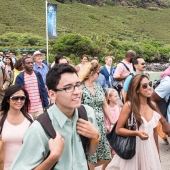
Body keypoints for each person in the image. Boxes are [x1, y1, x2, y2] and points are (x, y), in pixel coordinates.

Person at [11, 63, 99, 170]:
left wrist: (95, 137)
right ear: (52, 94)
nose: (77, 92)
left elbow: (90, 152)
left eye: (77, 85)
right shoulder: (39, 129)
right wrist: (53, 157)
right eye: (68, 87)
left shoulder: (87, 113)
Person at [107, 74, 162, 170]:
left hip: (150, 151)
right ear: (136, 89)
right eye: (144, 86)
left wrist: (157, 155)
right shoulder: (129, 106)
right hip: (134, 150)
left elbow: (155, 133)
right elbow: (118, 130)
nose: (149, 87)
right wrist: (136, 133)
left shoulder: (152, 106)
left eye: (149, 84)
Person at [79, 62, 114, 170]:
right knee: (91, 156)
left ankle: (86, 167)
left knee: (107, 157)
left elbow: (105, 106)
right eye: (98, 72)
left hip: (101, 126)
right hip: (88, 125)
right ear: (91, 73)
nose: (99, 75)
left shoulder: (98, 86)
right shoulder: (80, 88)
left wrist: (112, 122)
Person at [0, 85, 33, 170]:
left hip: (24, 166)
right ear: (8, 99)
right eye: (15, 98)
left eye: (22, 98)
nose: (19, 101)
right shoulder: (1, 118)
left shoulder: (29, 119)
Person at [104, 88, 121, 156]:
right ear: (109, 98)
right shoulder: (106, 109)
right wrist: (108, 127)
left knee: (116, 153)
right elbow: (105, 120)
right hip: (110, 132)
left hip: (117, 131)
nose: (117, 97)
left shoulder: (117, 107)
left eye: (117, 96)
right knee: (110, 154)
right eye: (115, 96)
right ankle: (104, 167)